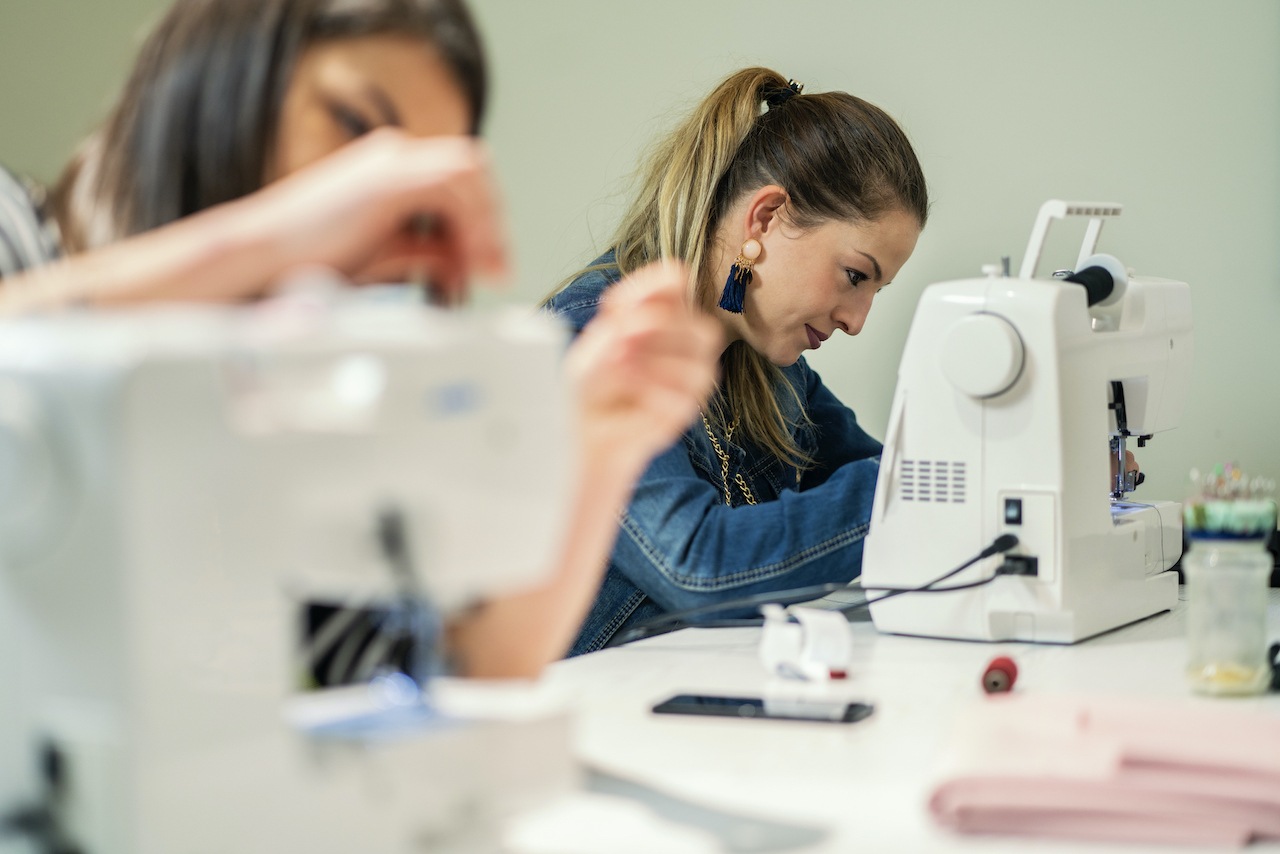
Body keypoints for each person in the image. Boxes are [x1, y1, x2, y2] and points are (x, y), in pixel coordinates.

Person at [0, 0, 720, 677]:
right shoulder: (18, 236)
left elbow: (449, 672)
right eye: (351, 126)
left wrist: (597, 448)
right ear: (220, 82)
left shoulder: (287, 406)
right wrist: (265, 238)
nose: (387, 203)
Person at [547, 68, 927, 654]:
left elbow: (883, 473)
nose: (857, 319)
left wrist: (961, 473)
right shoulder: (589, 342)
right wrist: (927, 481)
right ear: (765, 218)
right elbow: (697, 568)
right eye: (855, 276)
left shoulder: (765, 365)